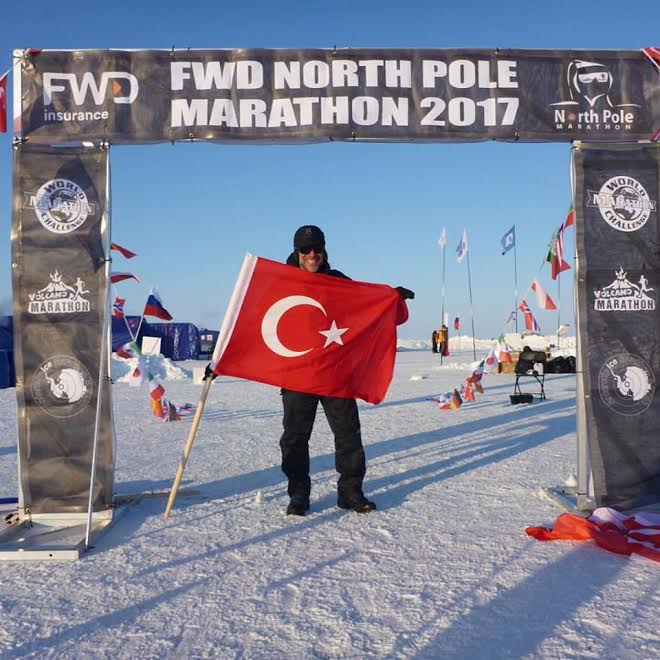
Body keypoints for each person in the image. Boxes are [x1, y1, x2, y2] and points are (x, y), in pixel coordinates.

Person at [281, 225, 414, 516]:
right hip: (298, 374)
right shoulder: (282, 282)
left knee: (348, 436)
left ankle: (350, 491)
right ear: (297, 252)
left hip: (335, 374)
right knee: (294, 438)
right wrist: (221, 360)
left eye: (317, 248)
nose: (312, 254)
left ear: (324, 249)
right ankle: (299, 493)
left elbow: (364, 306)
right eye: (306, 249)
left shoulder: (338, 282)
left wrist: (391, 297)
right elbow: (253, 321)